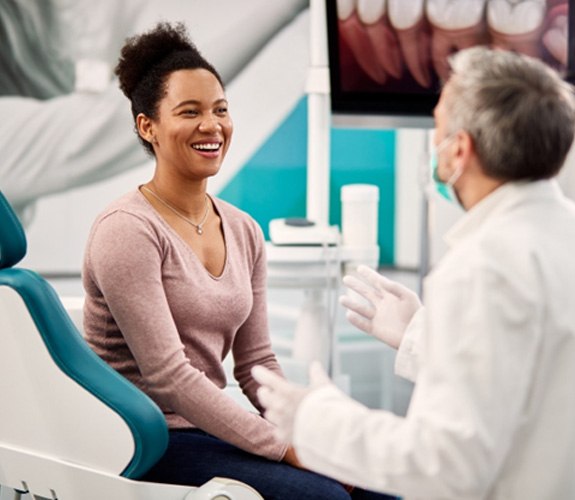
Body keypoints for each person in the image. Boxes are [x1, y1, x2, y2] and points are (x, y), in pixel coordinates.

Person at [82, 21, 393, 500]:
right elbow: (169, 377)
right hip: (143, 440)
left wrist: (305, 429)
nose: (212, 126)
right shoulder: (127, 230)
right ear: (148, 126)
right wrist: (285, 447)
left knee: (381, 487)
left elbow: (256, 363)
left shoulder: (244, 229)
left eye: (220, 110)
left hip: (209, 429)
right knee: (324, 497)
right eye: (190, 112)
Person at [253, 46, 575, 499]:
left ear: (460, 150)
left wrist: (316, 419)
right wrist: (422, 336)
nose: (433, 145)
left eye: (438, 128)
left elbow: (443, 463)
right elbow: (533, 381)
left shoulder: (483, 266)